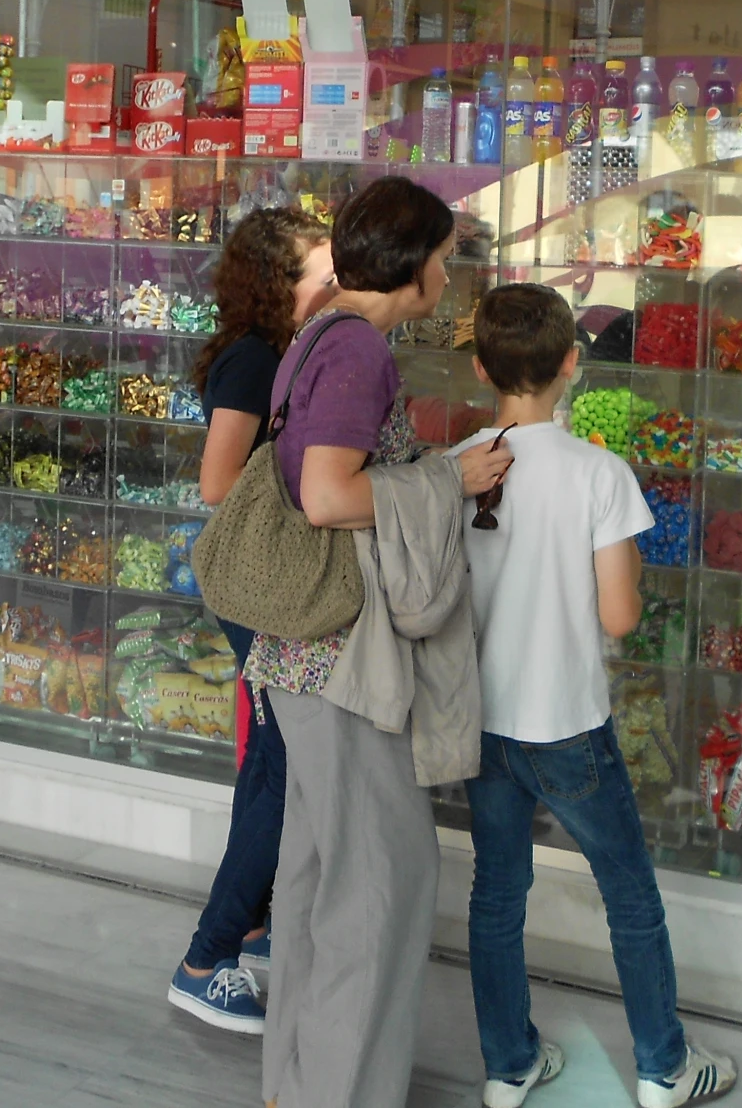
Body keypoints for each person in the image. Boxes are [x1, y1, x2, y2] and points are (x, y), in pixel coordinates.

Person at [252, 176, 513, 1108]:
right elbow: (327, 497)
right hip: (343, 657)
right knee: (382, 884)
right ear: (413, 263)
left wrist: (435, 470)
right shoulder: (360, 352)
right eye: (445, 255)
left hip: (302, 650)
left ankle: (297, 1081)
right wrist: (445, 481)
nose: (451, 272)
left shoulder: (319, 329)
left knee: (322, 874)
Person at [452, 284, 739, 1108]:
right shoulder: (599, 474)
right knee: (630, 897)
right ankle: (663, 1068)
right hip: (567, 724)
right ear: (573, 364)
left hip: (482, 723)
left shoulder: (454, 467)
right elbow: (618, 617)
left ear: (478, 368)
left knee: (496, 895)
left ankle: (508, 1067)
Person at [166, 207, 335, 1034]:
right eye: (320, 271)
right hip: (258, 582)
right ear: (279, 284)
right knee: (279, 765)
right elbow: (216, 482)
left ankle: (254, 922)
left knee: (275, 762)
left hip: (268, 579)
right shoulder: (253, 360)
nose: (335, 283)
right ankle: (206, 958)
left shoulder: (286, 352)